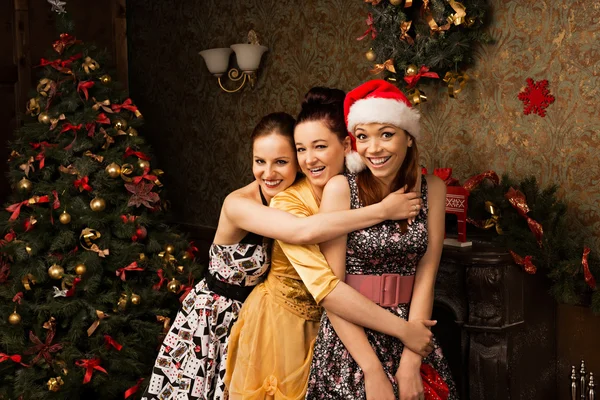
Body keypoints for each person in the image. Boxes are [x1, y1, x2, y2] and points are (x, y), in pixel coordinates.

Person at [142, 112, 423, 400]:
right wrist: (383, 211)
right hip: (214, 318)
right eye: (259, 162)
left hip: (269, 313)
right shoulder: (238, 204)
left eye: (281, 162)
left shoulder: (307, 194)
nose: (268, 173)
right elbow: (302, 231)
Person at [225, 88, 437, 400]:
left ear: (346, 145)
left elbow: (424, 267)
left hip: (335, 322)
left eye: (320, 146)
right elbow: (323, 278)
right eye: (300, 150)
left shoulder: (358, 186)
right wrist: (382, 211)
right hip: (283, 326)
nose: (309, 159)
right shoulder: (291, 201)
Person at [305, 80, 458, 400]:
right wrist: (372, 371)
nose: (373, 148)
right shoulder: (341, 189)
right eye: (363, 137)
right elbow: (331, 290)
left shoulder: (434, 189)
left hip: (411, 329)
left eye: (386, 134)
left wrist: (411, 360)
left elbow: (426, 277)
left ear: (409, 138)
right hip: (352, 337)